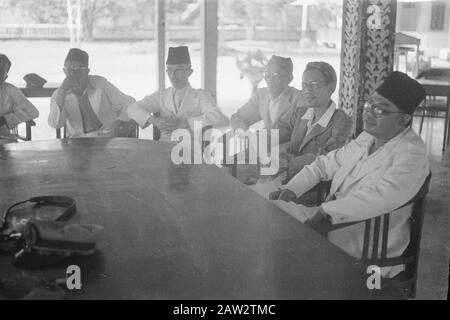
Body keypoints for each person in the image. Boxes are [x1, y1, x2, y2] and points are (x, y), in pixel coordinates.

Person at [271, 71, 429, 278]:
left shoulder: (412, 153)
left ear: (403, 120)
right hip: (331, 223)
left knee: (274, 236)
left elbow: (382, 196)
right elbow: (325, 164)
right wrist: (291, 189)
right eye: (369, 105)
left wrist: (327, 213)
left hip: (367, 242)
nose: (369, 113)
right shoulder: (367, 138)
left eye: (380, 109)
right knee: (269, 210)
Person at [127, 46, 229, 142]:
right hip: (162, 148)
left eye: (178, 70)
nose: (173, 76)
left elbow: (218, 117)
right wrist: (155, 121)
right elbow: (132, 108)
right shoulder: (162, 95)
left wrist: (185, 123)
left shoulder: (200, 95)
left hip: (190, 151)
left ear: (189, 72)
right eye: (169, 71)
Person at [48, 48, 136, 138]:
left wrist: (118, 124)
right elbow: (55, 124)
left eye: (77, 70)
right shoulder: (59, 94)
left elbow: (129, 103)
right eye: (68, 71)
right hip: (77, 143)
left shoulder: (101, 84)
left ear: (86, 72)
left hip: (107, 140)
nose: (73, 75)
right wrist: (62, 92)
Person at [230, 55, 304, 132]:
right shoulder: (261, 96)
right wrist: (242, 132)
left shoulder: (299, 100)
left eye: (276, 75)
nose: (269, 79)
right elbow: (238, 117)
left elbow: (297, 134)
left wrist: (258, 139)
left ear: (289, 78)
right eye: (267, 73)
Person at [0, 54, 39, 145]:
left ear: (5, 77)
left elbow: (33, 112)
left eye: (1, 71)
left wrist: (6, 120)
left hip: (3, 138)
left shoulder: (11, 90)